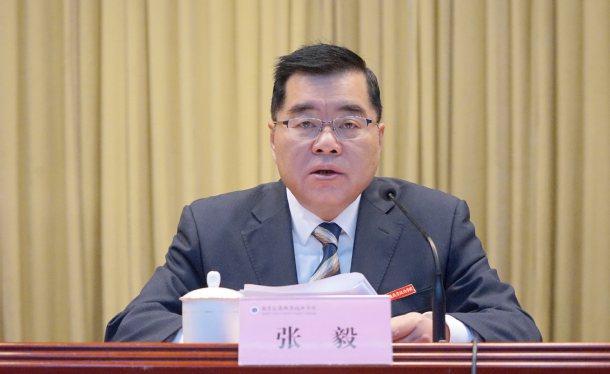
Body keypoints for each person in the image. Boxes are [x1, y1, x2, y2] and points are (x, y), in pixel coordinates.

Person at [105, 43, 541, 343]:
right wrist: (224, 336)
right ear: (273, 138)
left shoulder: (435, 222)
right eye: (305, 123)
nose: (327, 143)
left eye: (349, 124)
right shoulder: (213, 227)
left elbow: (516, 328)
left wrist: (441, 330)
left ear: (379, 138)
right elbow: (130, 329)